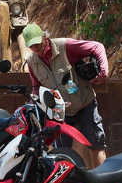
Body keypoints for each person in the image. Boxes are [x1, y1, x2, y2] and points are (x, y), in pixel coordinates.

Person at [21, 23, 109, 169]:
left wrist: (103, 73)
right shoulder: (32, 61)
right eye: (31, 45)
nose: (35, 47)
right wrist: (33, 103)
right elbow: (36, 85)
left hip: (84, 104)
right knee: (62, 153)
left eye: (37, 43)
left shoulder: (64, 46)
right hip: (61, 112)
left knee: (96, 145)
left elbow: (97, 46)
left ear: (44, 36)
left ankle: (103, 182)